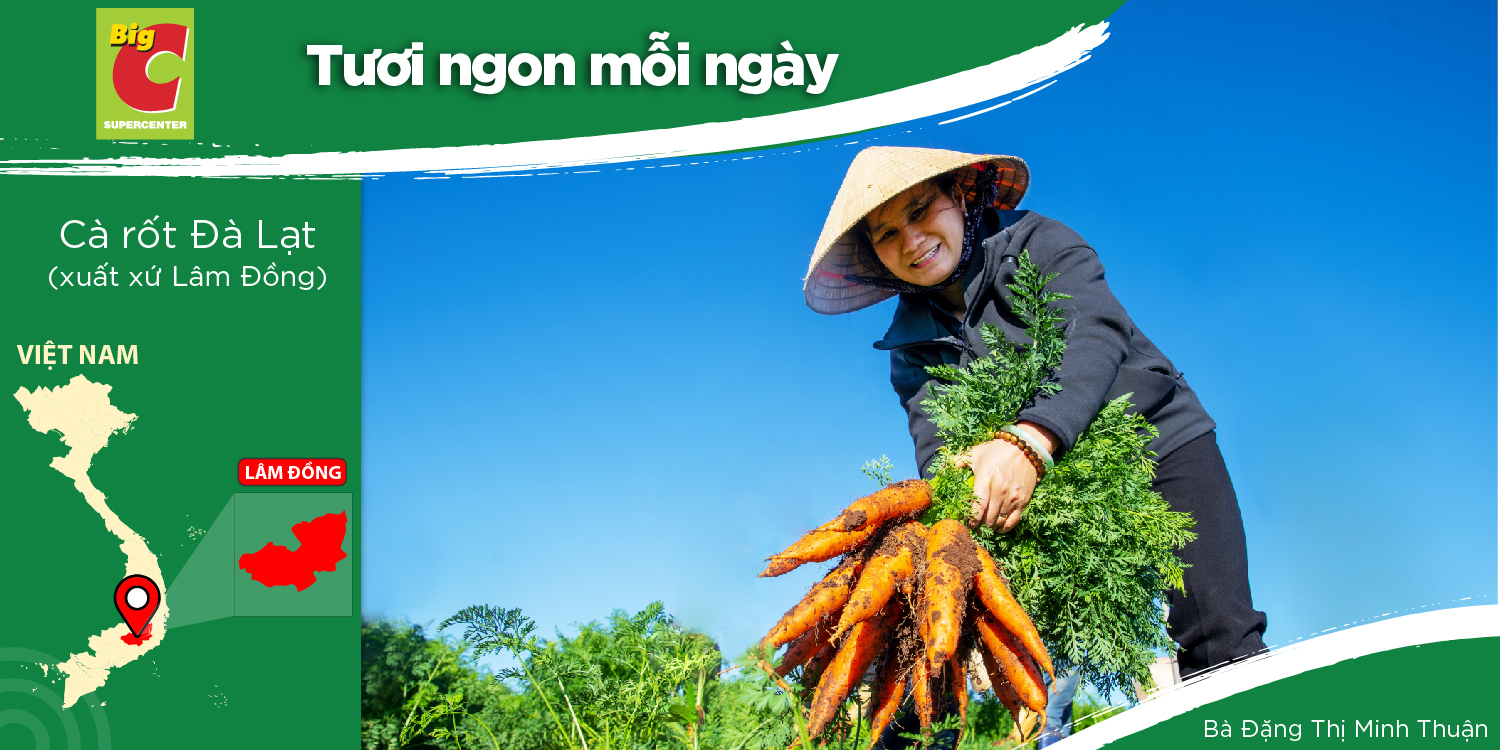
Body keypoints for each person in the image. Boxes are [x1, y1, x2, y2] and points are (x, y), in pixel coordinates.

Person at [802, 147, 1267, 747]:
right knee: (998, 669)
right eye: (888, 233)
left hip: (1155, 446)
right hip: (1040, 510)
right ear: (874, 255)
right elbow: (938, 448)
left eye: (922, 211)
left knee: (1222, 639)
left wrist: (1028, 441)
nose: (913, 239)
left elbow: (1095, 336)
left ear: (961, 196)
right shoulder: (910, 348)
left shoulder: (1039, 242)